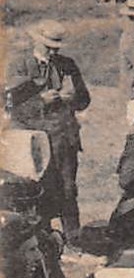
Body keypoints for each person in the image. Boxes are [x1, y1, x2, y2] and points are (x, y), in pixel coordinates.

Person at [6, 21, 92, 238]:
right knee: (37, 187)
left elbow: (84, 100)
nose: (53, 51)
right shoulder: (19, 65)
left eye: (57, 46)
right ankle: (41, 237)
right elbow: (9, 104)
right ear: (36, 40)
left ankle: (73, 237)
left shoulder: (67, 64)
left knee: (68, 187)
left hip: (64, 136)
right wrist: (39, 101)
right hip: (32, 137)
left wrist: (73, 98)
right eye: (49, 46)